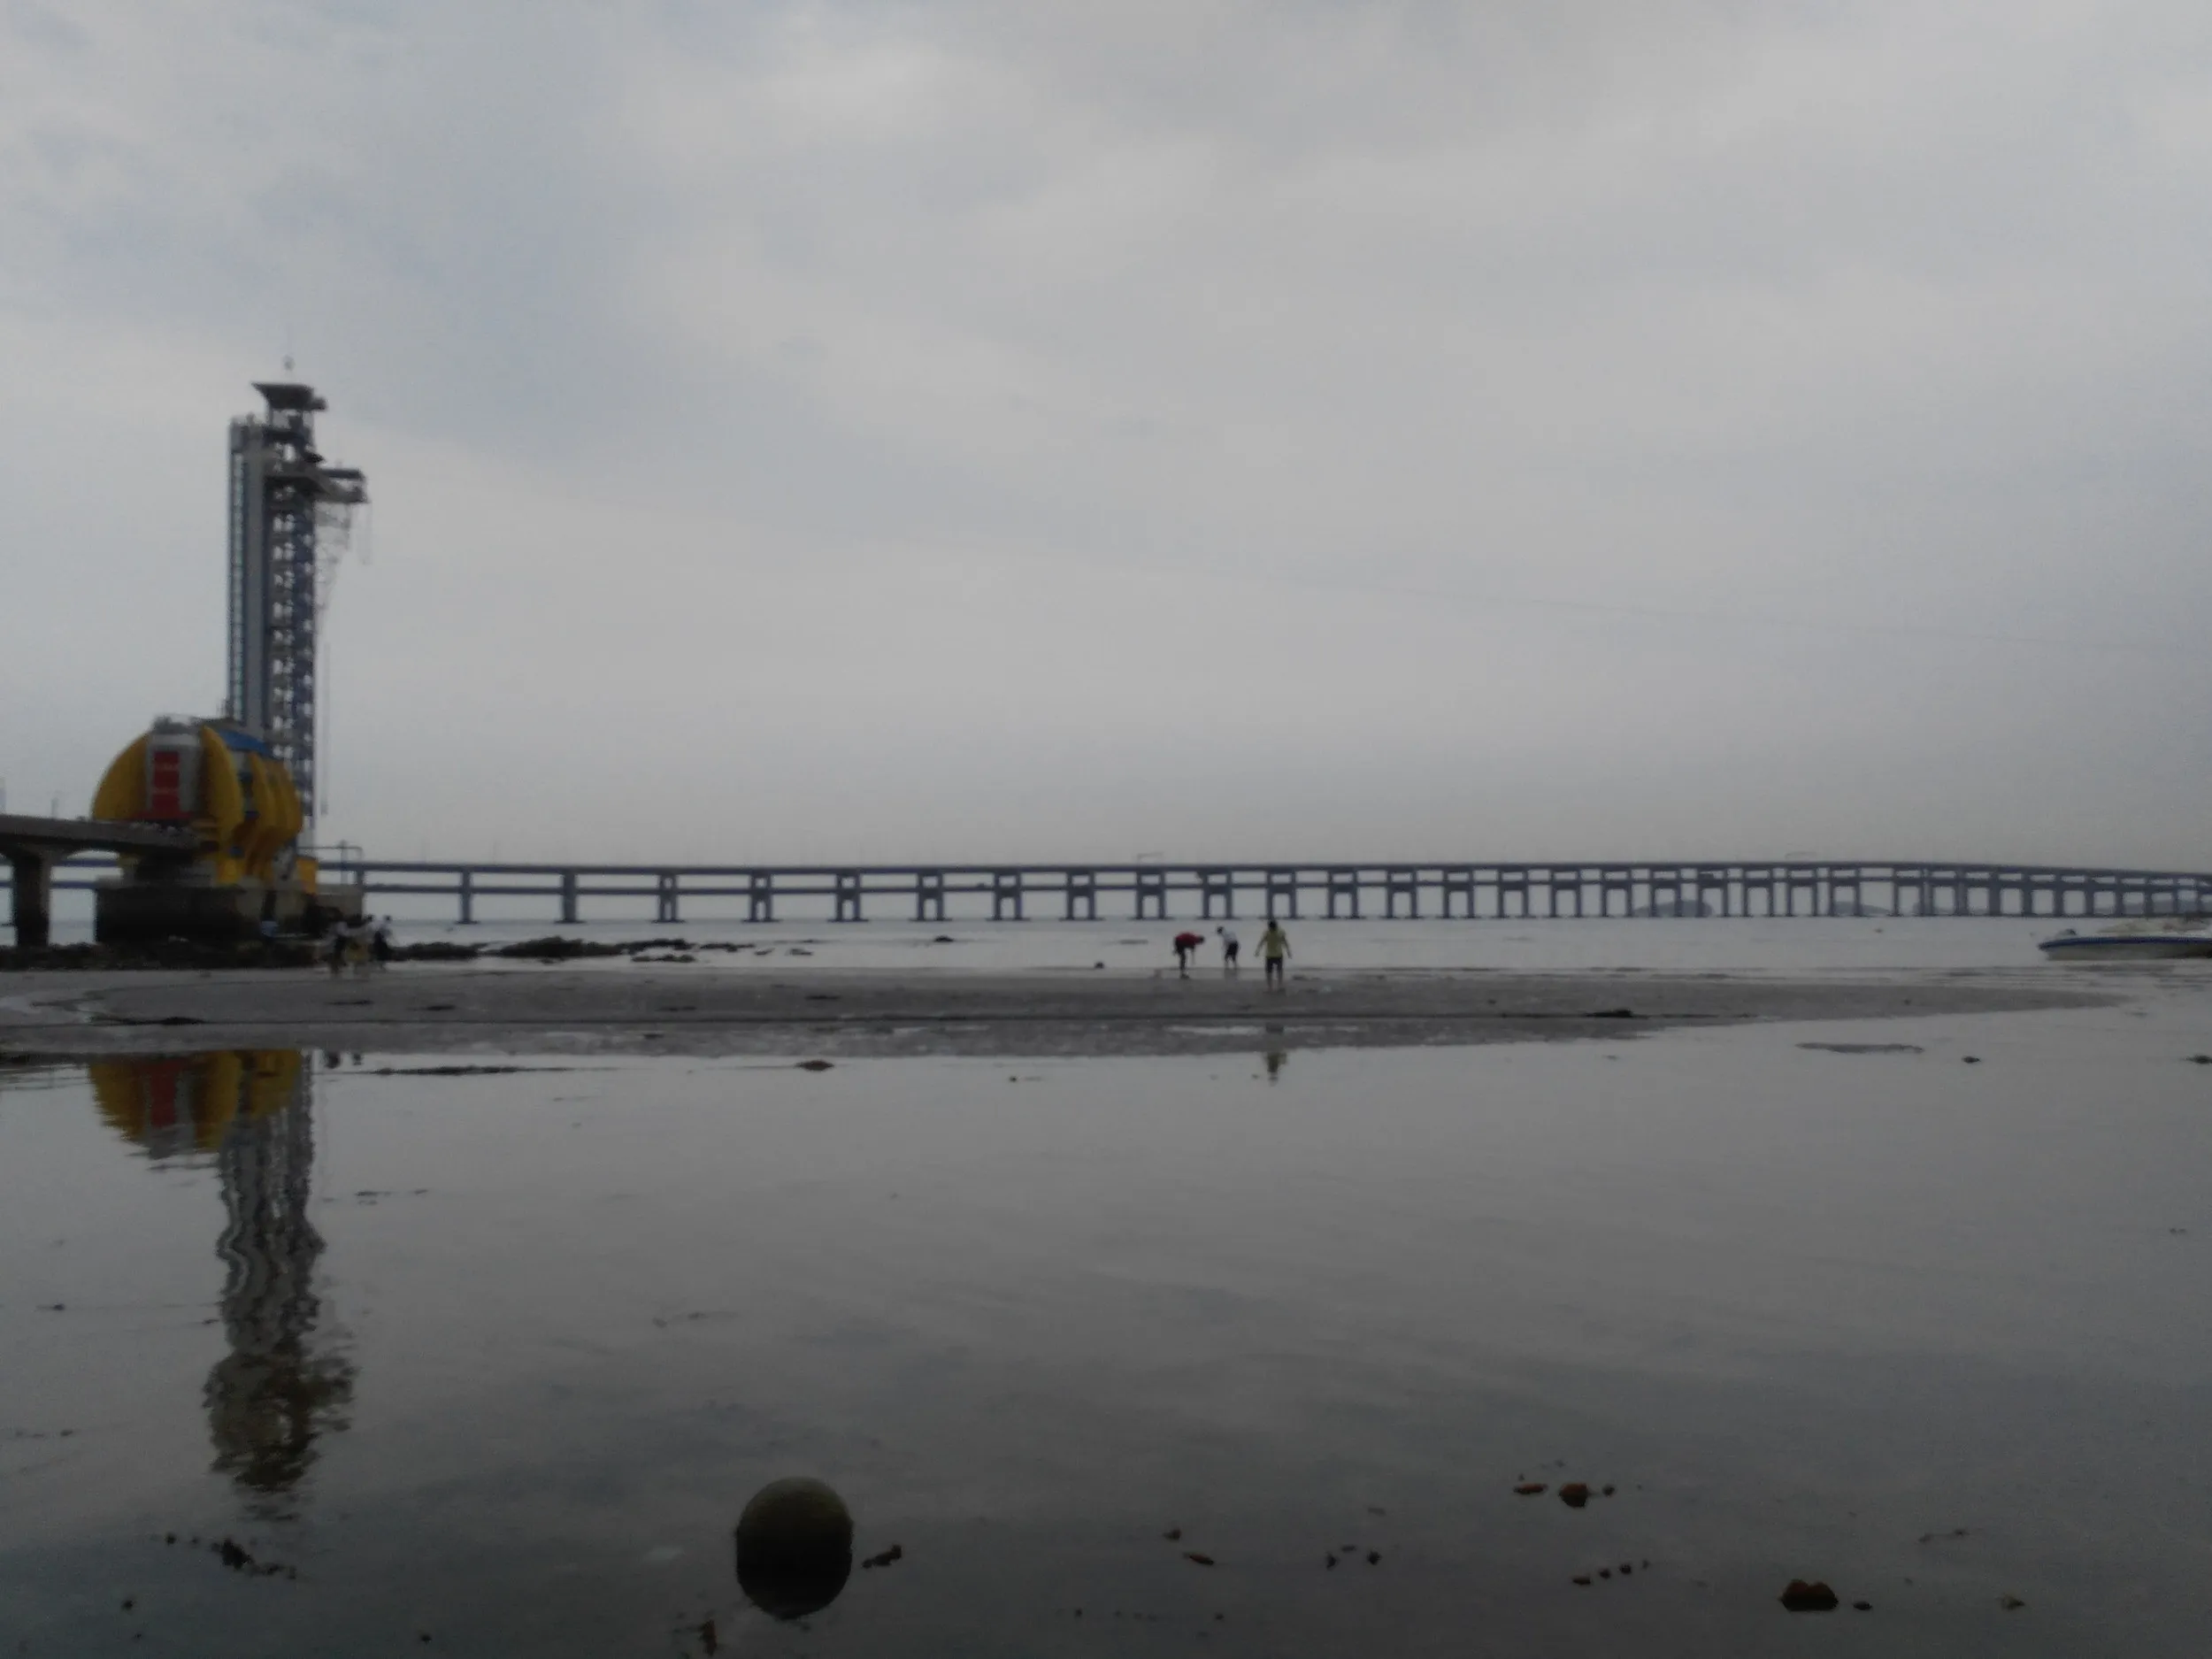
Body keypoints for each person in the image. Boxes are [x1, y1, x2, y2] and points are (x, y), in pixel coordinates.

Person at [1259, 919, 1291, 987]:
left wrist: (1258, 950)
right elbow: (1285, 942)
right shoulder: (1278, 932)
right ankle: (1276, 986)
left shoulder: (1268, 932)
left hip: (1273, 955)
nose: (1271, 929)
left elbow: (1262, 942)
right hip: (1275, 955)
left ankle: (1273, 986)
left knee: (1271, 971)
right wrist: (1288, 951)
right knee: (1277, 971)